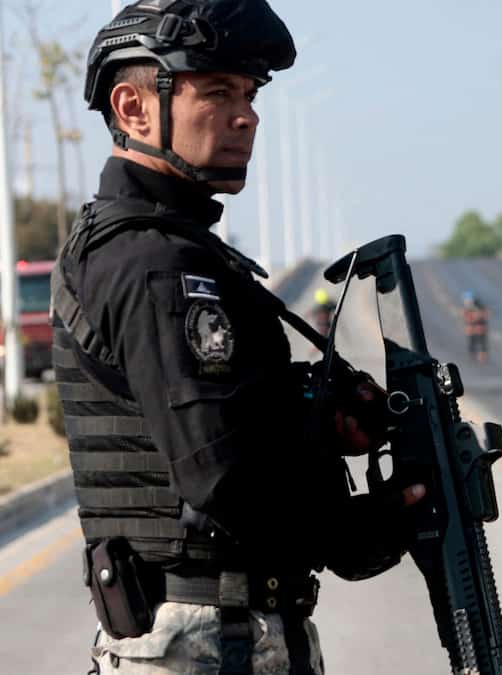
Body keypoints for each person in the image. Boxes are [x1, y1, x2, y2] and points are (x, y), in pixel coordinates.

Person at [53, 2, 423, 673]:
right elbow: (224, 475)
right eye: (217, 92)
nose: (246, 116)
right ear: (133, 108)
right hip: (206, 643)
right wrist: (365, 527)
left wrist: (319, 418)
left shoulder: (175, 249)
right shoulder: (156, 263)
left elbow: (224, 419)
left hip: (224, 636)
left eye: (250, 95)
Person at [462, 291, 490, 364]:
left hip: (480, 327)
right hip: (473, 328)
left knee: (482, 342)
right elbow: (466, 316)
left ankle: (482, 357)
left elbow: (485, 314)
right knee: (472, 342)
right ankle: (473, 356)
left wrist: (477, 316)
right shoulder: (468, 307)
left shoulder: (479, 306)